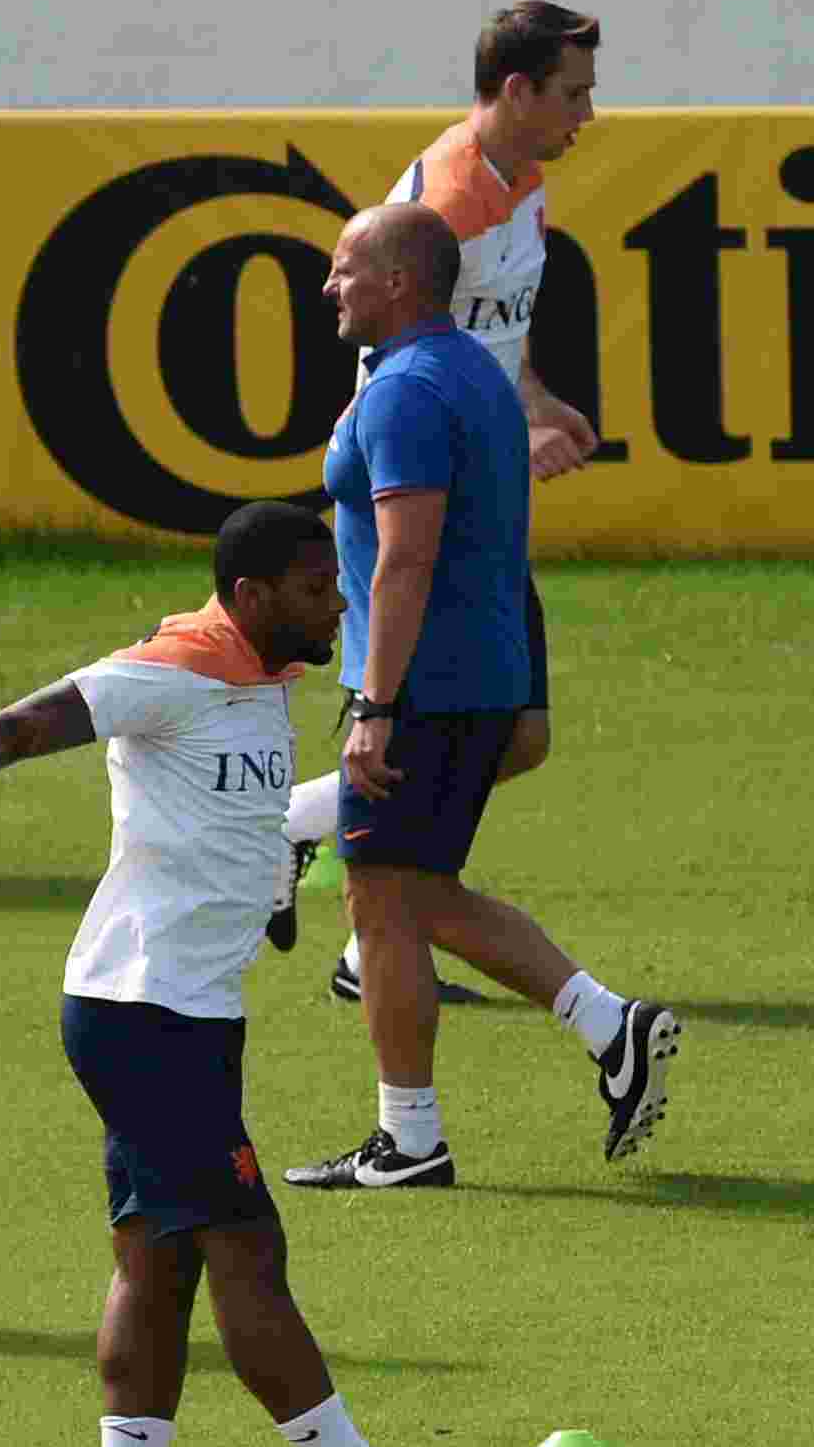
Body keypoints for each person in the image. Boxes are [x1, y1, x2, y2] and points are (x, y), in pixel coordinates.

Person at [0, 502, 503, 1447]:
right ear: (252, 596)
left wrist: (269, 893)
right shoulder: (165, 672)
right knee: (247, 1250)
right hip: (142, 1014)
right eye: (317, 589)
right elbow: (11, 730)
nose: (338, 604)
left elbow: (235, 822)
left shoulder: (267, 677)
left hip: (183, 1014)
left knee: (157, 1262)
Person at [274, 204, 676, 1194]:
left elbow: (404, 560)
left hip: (424, 687)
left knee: (386, 902)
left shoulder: (406, 392)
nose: (328, 287)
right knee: (411, 895)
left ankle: (416, 1135)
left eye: (343, 270)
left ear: (397, 281)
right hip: (473, 674)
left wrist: (374, 707)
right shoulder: (465, 374)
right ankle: (599, 1031)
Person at [277, 2, 607, 1003]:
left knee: (517, 738)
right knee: (458, 732)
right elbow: (395, 361)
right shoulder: (447, 200)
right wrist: (475, 450)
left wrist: (533, 398)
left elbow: (497, 327)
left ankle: (313, 847)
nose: (587, 113)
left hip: (476, 482)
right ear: (515, 90)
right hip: (434, 499)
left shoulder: (524, 181)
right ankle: (367, 926)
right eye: (573, 93)